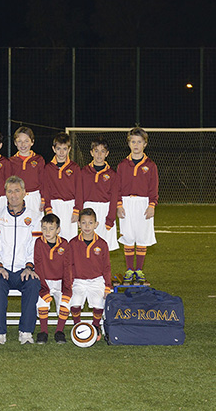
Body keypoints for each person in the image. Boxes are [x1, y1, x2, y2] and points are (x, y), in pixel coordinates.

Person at [0, 175, 41, 345]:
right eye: (10, 191)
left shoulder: (35, 217)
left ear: (25, 193)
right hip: (2, 269)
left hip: (23, 270)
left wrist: (29, 267)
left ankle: (26, 332)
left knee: (33, 283)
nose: (13, 195)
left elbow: (35, 246)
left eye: (17, 191)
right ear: (5, 194)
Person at [117, 127, 158, 284]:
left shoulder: (151, 165)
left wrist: (152, 205)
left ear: (145, 144)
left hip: (143, 203)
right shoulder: (122, 165)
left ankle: (139, 270)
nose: (136, 145)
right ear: (129, 144)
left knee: (141, 236)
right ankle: (129, 270)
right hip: (126, 203)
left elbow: (154, 187)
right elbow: (118, 187)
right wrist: (119, 205)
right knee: (128, 236)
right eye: (133, 141)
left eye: (139, 142)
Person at [69, 208, 112, 337]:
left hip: (97, 279)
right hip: (78, 280)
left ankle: (95, 326)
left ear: (96, 224)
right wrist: (69, 283)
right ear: (78, 224)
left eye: (90, 223)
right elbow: (69, 265)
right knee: (75, 302)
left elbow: (106, 267)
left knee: (99, 303)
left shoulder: (102, 244)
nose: (87, 226)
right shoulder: (73, 243)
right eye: (84, 223)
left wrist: (108, 286)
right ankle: (78, 325)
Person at [33, 213, 72, 344]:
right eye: (44, 228)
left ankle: (59, 331)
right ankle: (43, 331)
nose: (47, 232)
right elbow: (38, 265)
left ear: (58, 230)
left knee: (65, 303)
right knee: (42, 303)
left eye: (51, 228)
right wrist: (43, 288)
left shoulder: (64, 244)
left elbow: (67, 266)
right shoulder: (38, 242)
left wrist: (67, 288)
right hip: (44, 281)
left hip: (60, 282)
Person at [42, 132, 83, 241]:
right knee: (53, 239)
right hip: (54, 206)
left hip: (70, 206)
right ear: (53, 149)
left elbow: (79, 190)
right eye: (58, 148)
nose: (61, 152)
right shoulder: (48, 168)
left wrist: (77, 210)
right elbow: (46, 189)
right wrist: (48, 207)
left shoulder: (75, 168)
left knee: (70, 240)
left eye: (64, 149)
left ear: (69, 149)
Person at [81, 137, 119, 251]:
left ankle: (103, 269)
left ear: (107, 153)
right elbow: (79, 193)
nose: (99, 154)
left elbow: (114, 197)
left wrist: (111, 218)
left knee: (104, 246)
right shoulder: (84, 172)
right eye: (96, 151)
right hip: (88, 208)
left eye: (102, 151)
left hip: (105, 209)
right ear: (91, 152)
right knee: (87, 243)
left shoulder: (112, 174)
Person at [9, 126, 45, 224]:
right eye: (19, 141)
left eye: (26, 141)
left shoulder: (39, 159)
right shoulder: (11, 161)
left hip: (34, 197)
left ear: (32, 142)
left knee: (36, 225)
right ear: (15, 143)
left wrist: (43, 199)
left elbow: (43, 181)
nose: (23, 144)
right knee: (18, 225)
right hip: (17, 197)